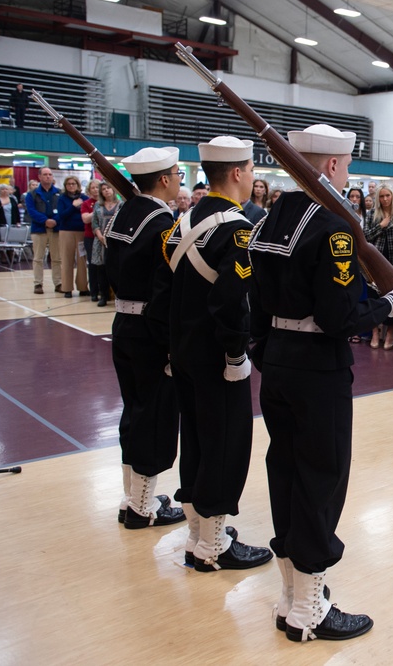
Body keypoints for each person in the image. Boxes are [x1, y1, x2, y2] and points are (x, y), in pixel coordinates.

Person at [247, 123, 393, 642]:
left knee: (287, 474)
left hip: (276, 363)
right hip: (318, 370)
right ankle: (309, 613)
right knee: (321, 480)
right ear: (334, 166)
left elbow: (256, 301)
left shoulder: (271, 215)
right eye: (347, 164)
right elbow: (341, 317)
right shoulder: (333, 227)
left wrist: (264, 351)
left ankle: (289, 597)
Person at [163, 136, 272, 572]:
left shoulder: (184, 220)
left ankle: (196, 534)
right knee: (225, 444)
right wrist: (234, 355)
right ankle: (213, 547)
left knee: (194, 439)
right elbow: (231, 300)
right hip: (215, 355)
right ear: (237, 173)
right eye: (249, 169)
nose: (251, 178)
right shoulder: (236, 228)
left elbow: (166, 289)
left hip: (183, 350)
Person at [105, 147, 186, 530]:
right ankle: (142, 508)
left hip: (123, 322)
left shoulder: (125, 212)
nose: (180, 181)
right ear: (165, 179)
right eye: (177, 174)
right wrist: (171, 343)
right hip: (150, 332)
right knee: (154, 418)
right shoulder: (161, 222)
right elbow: (164, 288)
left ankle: (132, 496)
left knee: (134, 412)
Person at [364, 183, 393, 350]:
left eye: (388, 195)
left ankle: (389, 332)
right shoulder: (372, 214)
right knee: (373, 297)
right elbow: (365, 236)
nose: (385, 199)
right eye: (382, 196)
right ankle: (375, 331)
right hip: (375, 262)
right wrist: (380, 226)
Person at [26, 168, 62, 294]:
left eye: (50, 174)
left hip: (56, 229)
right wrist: (45, 220)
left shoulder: (59, 193)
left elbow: (63, 209)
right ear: (39, 177)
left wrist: (55, 221)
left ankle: (58, 283)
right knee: (38, 258)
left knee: (57, 258)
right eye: (45, 174)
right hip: (39, 229)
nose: (48, 177)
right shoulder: (32, 194)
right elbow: (31, 211)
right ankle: (38, 284)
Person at [56, 176, 89, 298]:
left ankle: (83, 287)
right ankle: (67, 288)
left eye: (73, 183)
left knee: (82, 260)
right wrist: (73, 206)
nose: (71, 186)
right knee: (66, 259)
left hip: (81, 231)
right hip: (66, 231)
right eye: (69, 184)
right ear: (65, 186)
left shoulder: (85, 198)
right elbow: (62, 215)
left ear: (78, 185)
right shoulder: (62, 199)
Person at [91, 182, 121, 307]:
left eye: (109, 188)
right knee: (101, 270)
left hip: (116, 241)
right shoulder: (98, 205)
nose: (106, 190)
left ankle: (118, 296)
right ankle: (103, 296)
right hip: (101, 241)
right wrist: (100, 236)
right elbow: (94, 223)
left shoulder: (121, 205)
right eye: (103, 189)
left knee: (116, 269)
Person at [81, 180, 100, 301]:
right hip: (91, 237)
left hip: (105, 237)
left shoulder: (110, 203)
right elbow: (86, 219)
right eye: (92, 188)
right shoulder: (86, 204)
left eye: (98, 187)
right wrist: (98, 209)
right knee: (92, 264)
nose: (95, 189)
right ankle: (94, 291)